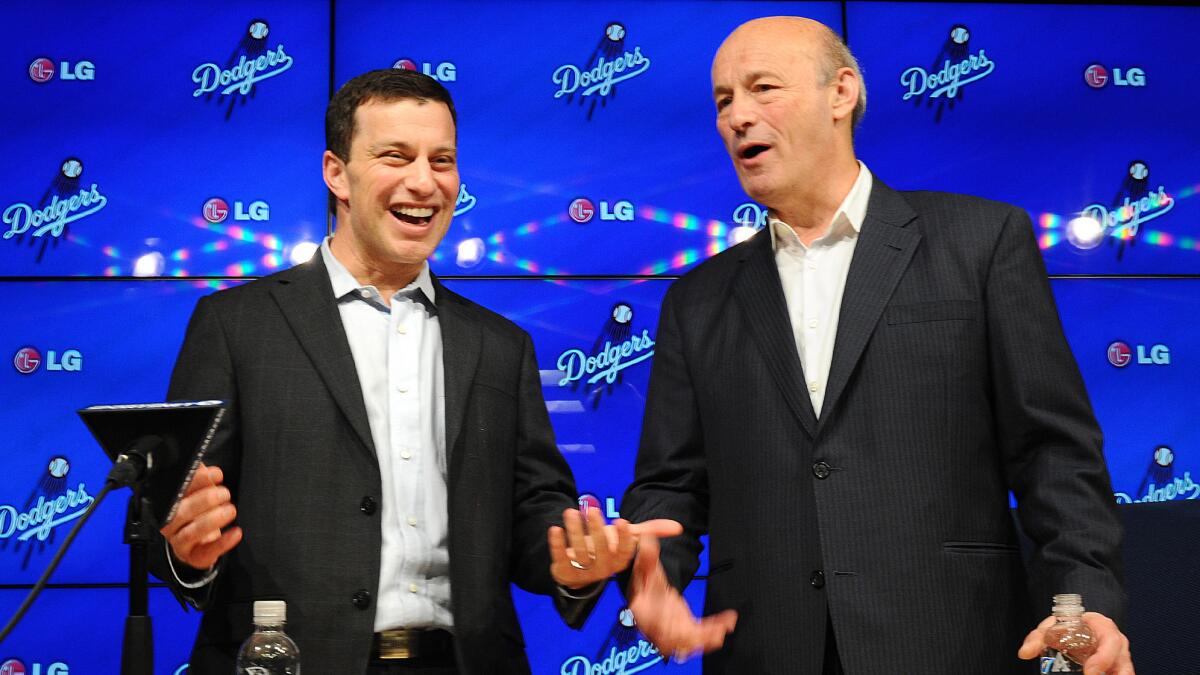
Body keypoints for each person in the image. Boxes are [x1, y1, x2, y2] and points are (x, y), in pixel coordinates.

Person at [620, 17, 1134, 675]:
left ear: (841, 92)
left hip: (951, 646)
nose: (737, 116)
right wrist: (649, 583)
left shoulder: (980, 243)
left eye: (761, 89)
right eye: (723, 101)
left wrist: (1081, 605)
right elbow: (670, 488)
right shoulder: (696, 299)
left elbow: (1053, 455)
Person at [153, 69, 651, 674]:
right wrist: (186, 548)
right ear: (337, 172)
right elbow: (176, 507)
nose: (424, 181)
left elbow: (533, 512)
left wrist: (573, 560)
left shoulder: (500, 345)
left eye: (442, 160)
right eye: (396, 156)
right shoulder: (236, 325)